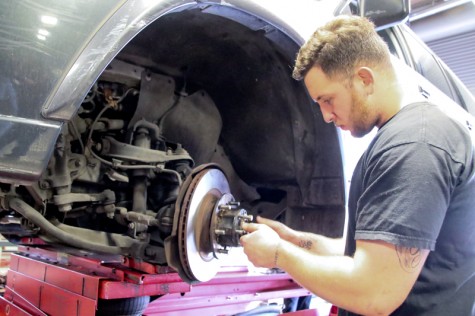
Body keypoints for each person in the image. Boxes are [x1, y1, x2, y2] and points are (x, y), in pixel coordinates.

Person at [240, 15, 475, 316]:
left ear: (364, 79)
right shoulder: (405, 137)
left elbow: (375, 293)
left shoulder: (414, 145)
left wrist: (278, 254)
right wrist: (295, 240)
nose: (326, 116)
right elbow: (363, 257)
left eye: (328, 100)